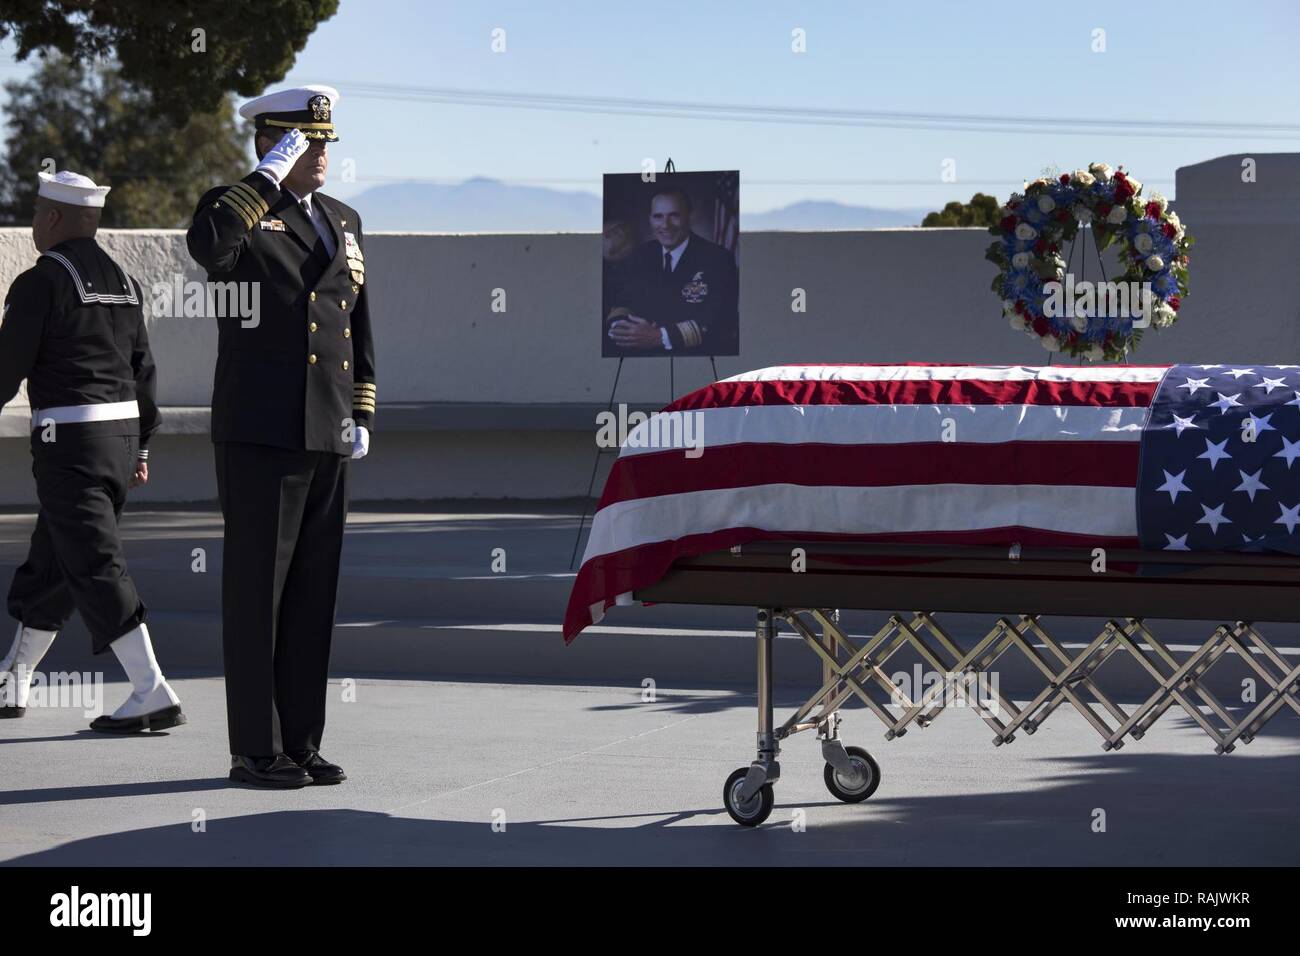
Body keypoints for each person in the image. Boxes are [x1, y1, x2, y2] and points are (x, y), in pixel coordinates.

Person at [186, 85, 375, 788]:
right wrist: (261, 179)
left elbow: (356, 322)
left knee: (311, 595)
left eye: (326, 140)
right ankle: (255, 750)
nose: (323, 152)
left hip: (327, 429)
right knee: (257, 594)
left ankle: (301, 740)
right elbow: (209, 250)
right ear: (274, 140)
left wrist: (363, 412)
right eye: (307, 140)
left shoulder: (343, 219)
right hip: (261, 430)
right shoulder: (233, 210)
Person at [0, 171, 184, 732]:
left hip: (70, 443)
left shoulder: (41, 282)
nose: (33, 221)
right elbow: (142, 373)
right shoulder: (124, 282)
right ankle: (14, 679)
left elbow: (6, 372)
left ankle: (151, 690)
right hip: (120, 440)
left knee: (94, 561)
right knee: (55, 559)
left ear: (53, 218)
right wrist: (142, 449)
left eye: (35, 212)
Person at [604, 187, 739, 356]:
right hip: (643, 360)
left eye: (674, 215)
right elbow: (622, 302)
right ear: (650, 219)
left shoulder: (718, 259)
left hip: (695, 358)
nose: (665, 225)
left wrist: (659, 336)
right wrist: (622, 329)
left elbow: (721, 320)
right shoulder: (639, 255)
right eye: (658, 217)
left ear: (689, 216)